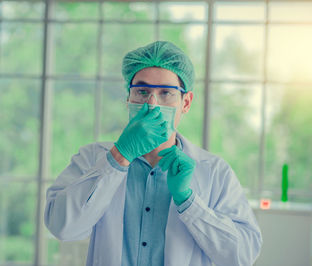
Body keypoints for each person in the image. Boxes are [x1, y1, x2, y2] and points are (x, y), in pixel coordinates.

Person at [44, 41, 262, 266]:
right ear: (128, 98)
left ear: (185, 103)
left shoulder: (215, 171)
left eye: (166, 93)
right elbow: (63, 228)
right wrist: (118, 157)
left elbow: (242, 256)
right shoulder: (93, 158)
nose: (152, 104)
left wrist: (188, 201)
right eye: (142, 91)